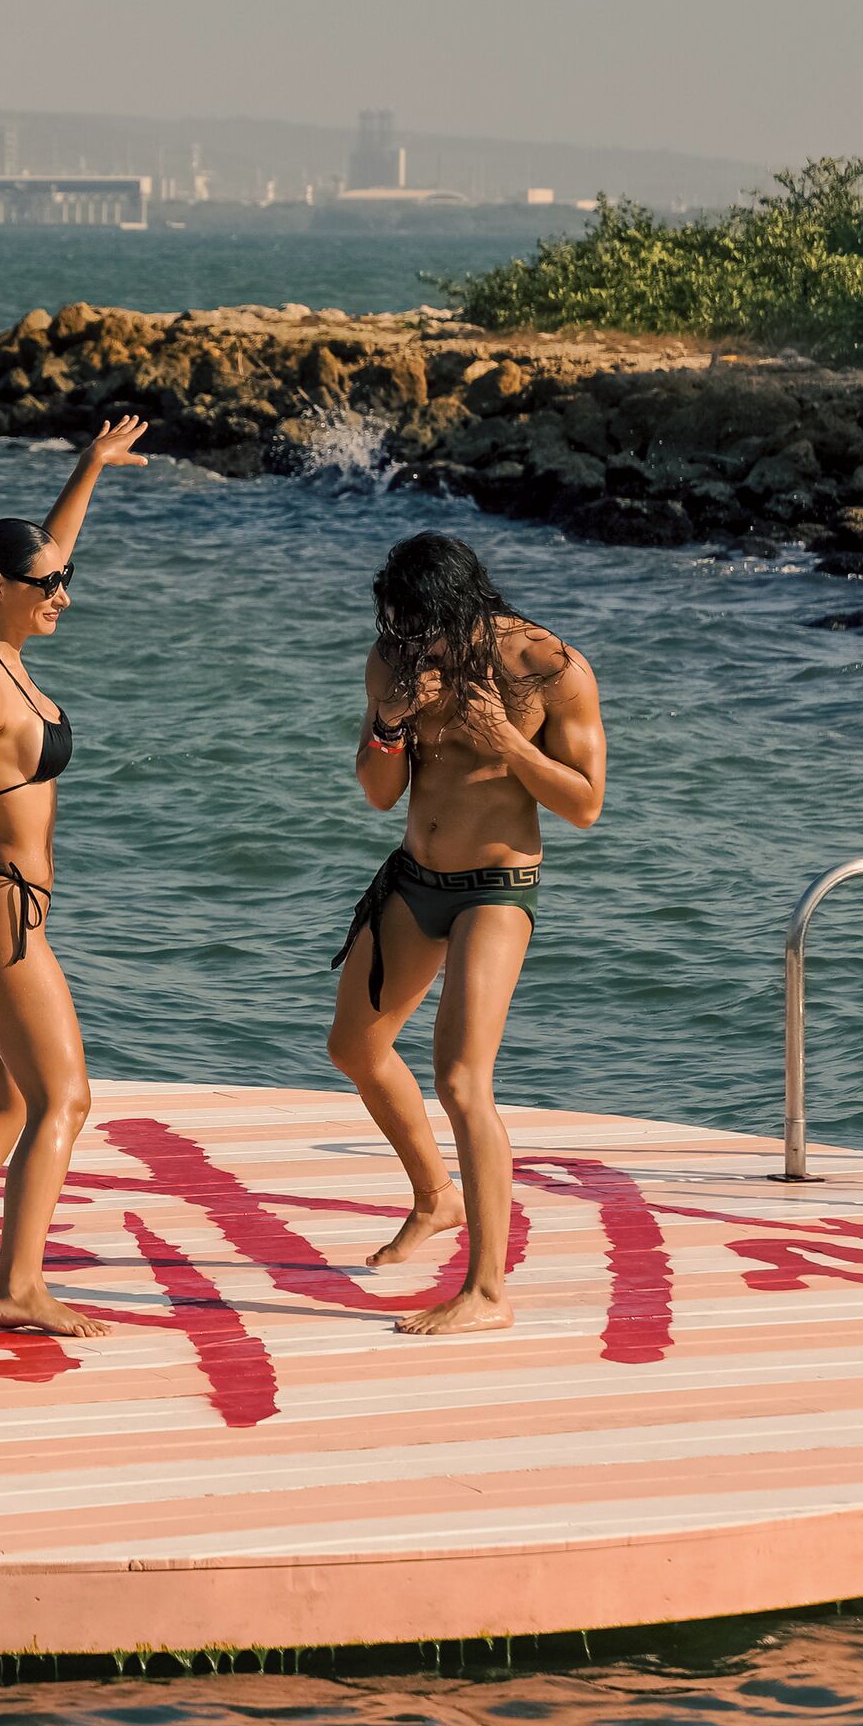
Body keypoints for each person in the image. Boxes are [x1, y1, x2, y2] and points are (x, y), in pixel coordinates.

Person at [325, 531, 607, 1337]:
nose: (407, 641)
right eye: (398, 626)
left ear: (463, 606)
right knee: (354, 1047)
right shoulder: (398, 663)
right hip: (416, 879)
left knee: (460, 1078)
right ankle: (436, 1196)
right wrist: (387, 720)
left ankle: (487, 1288)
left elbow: (586, 805)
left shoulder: (549, 667)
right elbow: (379, 794)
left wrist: (509, 745)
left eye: (421, 625)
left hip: (496, 885)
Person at [0, 412, 151, 1338]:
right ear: (2, 589)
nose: (65, 594)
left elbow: (50, 548)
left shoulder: (1, 644)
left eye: (69, 580)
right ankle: (19, 1287)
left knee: (10, 1093)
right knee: (65, 1097)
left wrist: (89, 467)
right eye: (49, 585)